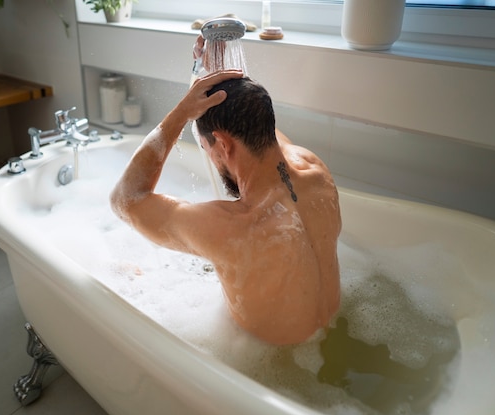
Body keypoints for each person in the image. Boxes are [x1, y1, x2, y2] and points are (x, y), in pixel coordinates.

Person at [110, 70, 341, 345]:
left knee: (122, 270)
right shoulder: (315, 171)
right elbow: (251, 116)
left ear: (222, 143)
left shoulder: (232, 227)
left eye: (208, 149)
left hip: (271, 370)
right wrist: (213, 70)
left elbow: (126, 199)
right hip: (329, 339)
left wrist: (181, 113)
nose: (211, 158)